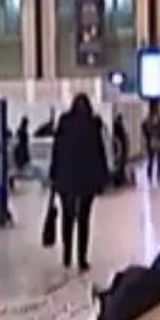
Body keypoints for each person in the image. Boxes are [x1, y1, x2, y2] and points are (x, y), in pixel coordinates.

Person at [48, 93, 107, 272]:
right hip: (87, 180)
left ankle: (67, 256)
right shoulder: (93, 124)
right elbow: (99, 153)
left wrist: (54, 174)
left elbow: (56, 150)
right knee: (84, 219)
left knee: (67, 217)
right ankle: (82, 259)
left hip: (66, 178)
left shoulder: (65, 122)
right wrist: (103, 177)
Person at [111, 113, 131, 187]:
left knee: (120, 165)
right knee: (119, 165)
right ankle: (118, 181)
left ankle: (120, 179)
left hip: (121, 148)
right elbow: (120, 139)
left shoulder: (118, 127)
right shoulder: (118, 127)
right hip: (120, 148)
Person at [12, 115, 31, 181]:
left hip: (19, 150)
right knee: (20, 168)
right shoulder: (24, 132)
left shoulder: (19, 131)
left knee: (18, 168)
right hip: (22, 151)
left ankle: (14, 179)